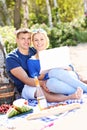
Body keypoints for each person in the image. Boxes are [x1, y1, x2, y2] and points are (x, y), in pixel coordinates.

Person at [20, 28, 83, 101]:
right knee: (51, 83)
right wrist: (44, 73)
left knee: (54, 72)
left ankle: (84, 88)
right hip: (54, 83)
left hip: (67, 77)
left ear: (46, 41)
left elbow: (71, 68)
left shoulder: (54, 53)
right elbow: (35, 79)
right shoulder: (31, 61)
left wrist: (63, 67)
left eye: (41, 39)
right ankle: (77, 91)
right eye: (36, 40)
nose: (39, 42)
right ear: (33, 42)